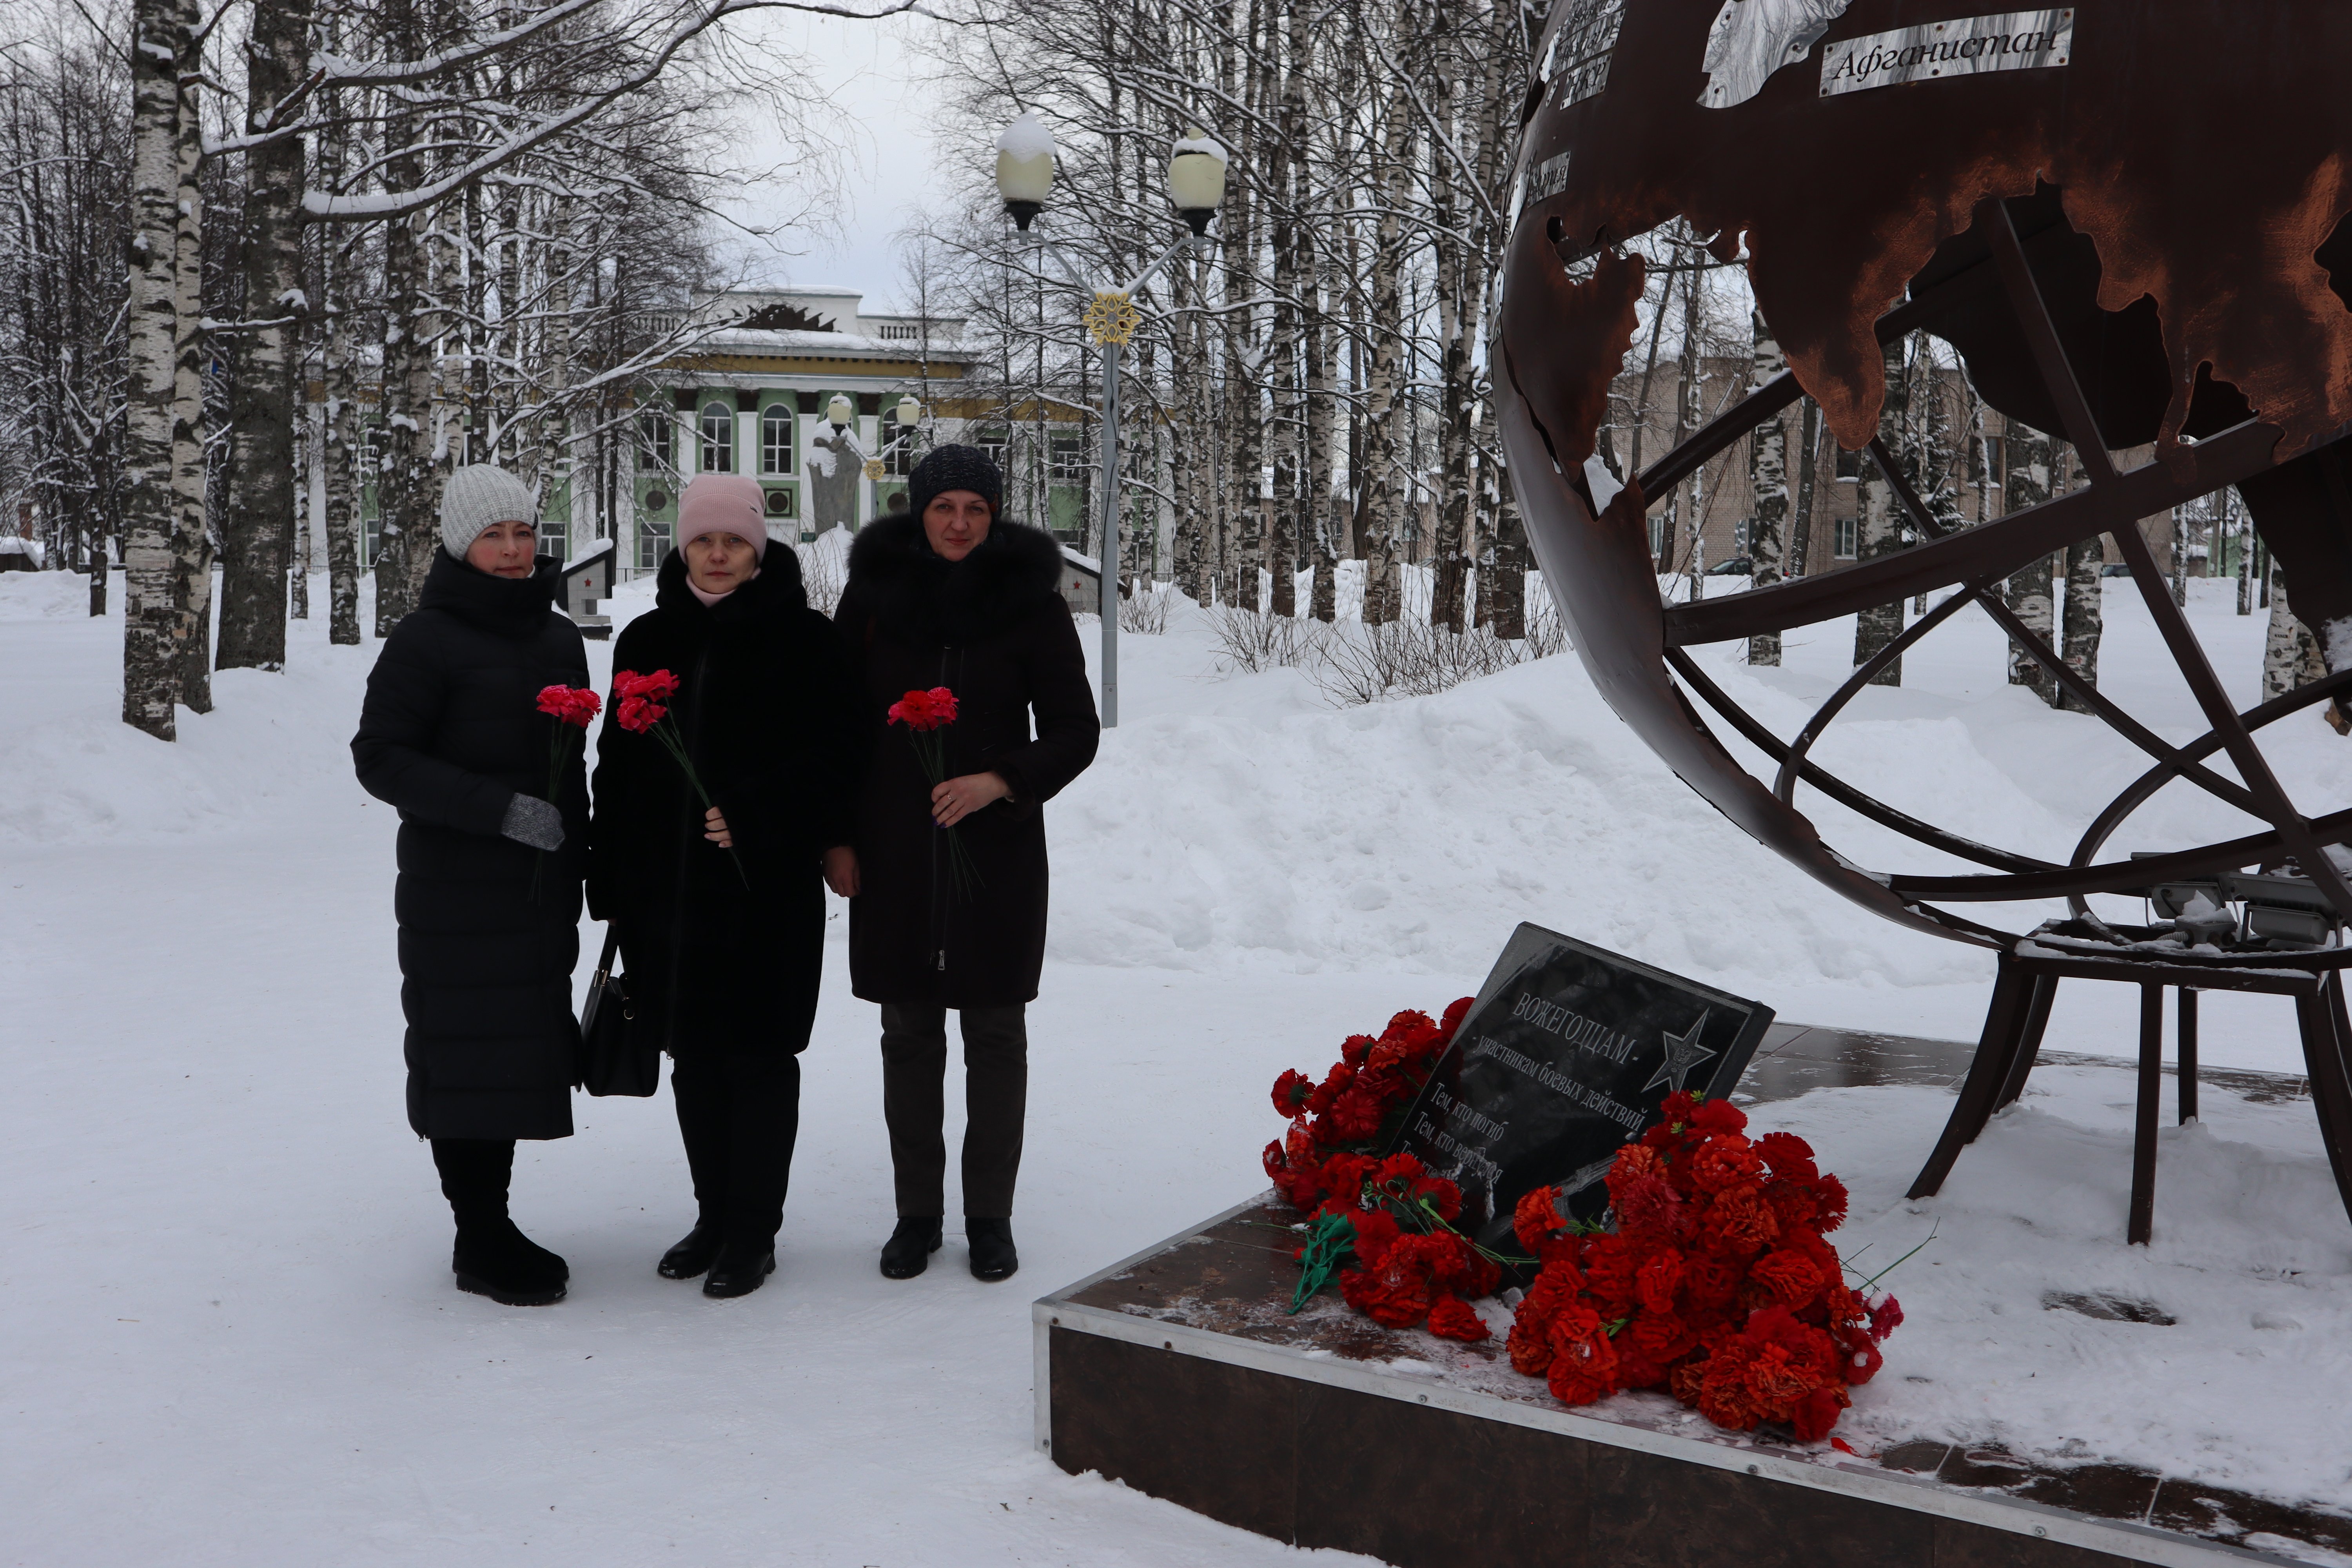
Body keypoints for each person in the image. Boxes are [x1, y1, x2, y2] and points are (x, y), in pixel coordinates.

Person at [587, 474, 862, 1299]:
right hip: (667, 890)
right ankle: (712, 1216)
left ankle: (753, 1232)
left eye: (734, 541)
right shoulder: (646, 638)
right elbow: (617, 765)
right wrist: (611, 873)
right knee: (695, 1058)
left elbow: (839, 756)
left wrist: (756, 811)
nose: (717, 554)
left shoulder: (806, 639)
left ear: (758, 550)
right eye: (703, 540)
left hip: (764, 891)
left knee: (760, 1058)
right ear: (683, 548)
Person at [835, 445, 1100, 1283]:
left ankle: (990, 1217)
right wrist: (837, 837)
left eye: (976, 510)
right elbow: (835, 726)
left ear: (995, 516)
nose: (959, 524)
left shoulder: (1031, 603)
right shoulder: (873, 599)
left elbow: (1075, 729)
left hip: (996, 855)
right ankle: (916, 1216)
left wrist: (1002, 779)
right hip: (896, 853)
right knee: (908, 1034)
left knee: (994, 1034)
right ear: (918, 511)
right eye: (944, 507)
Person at [352, 464, 588, 1307]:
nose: (514, 549)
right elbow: (380, 757)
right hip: (457, 892)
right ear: (460, 544)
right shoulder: (426, 640)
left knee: (513, 1056)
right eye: (494, 535)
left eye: (523, 532)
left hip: (537, 892)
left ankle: (494, 1226)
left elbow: (571, 766)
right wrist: (502, 812)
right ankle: (479, 1235)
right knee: (467, 1057)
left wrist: (583, 855)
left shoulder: (558, 637)